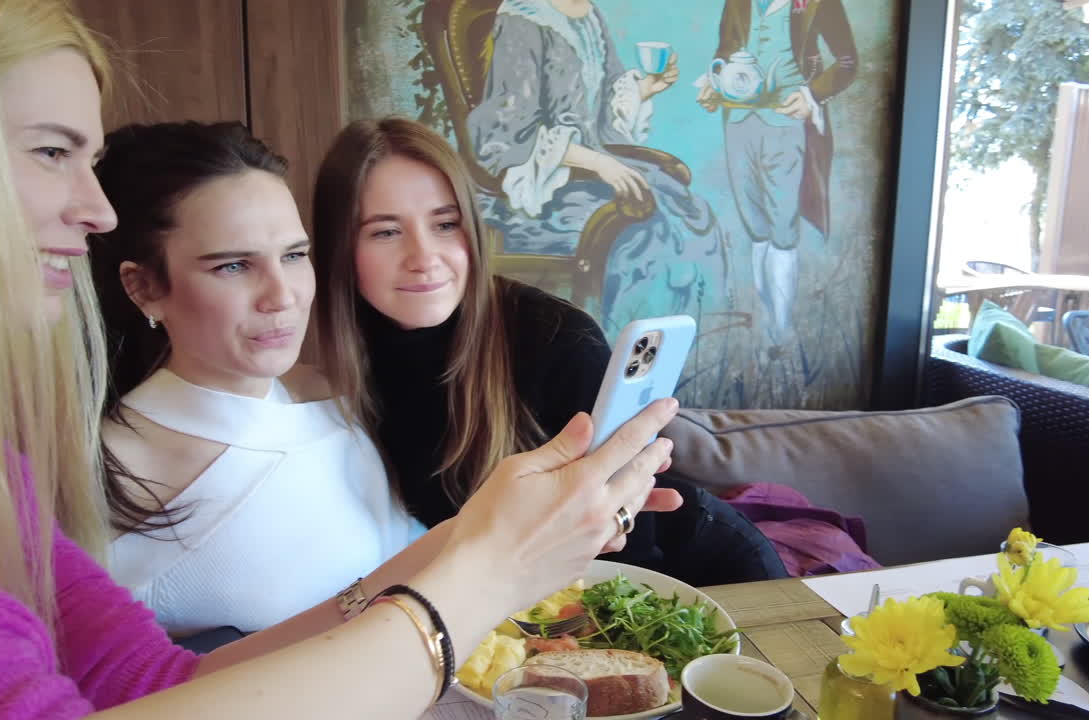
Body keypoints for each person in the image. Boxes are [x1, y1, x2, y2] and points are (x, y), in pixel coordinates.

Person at [0, 1, 679, 717]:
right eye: (53, 152)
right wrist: (495, 564)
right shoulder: (92, 472)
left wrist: (492, 536)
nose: (95, 210)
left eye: (294, 256)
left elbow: (154, 684)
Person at [311, 116, 788, 588]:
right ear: (339, 248)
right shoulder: (324, 379)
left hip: (688, 576)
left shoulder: (556, 338)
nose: (424, 257)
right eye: (385, 232)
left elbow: (632, 560)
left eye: (445, 224)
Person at [88, 121, 434, 643]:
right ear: (143, 287)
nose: (282, 295)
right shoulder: (108, 474)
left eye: (294, 256)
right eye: (233, 266)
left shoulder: (332, 400)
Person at [466, 0, 734, 364]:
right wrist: (598, 164)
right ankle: (616, 373)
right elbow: (506, 135)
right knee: (645, 232)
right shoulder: (522, 19)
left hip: (587, 170)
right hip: (539, 188)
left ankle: (678, 365)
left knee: (693, 215)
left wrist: (644, 90)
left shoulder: (589, 14)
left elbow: (601, 113)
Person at [698, 0, 857, 352]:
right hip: (739, 122)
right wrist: (715, 81)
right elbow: (726, 48)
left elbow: (847, 61)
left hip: (788, 124)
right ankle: (767, 324)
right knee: (757, 229)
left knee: (782, 230)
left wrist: (811, 94)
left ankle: (780, 331)